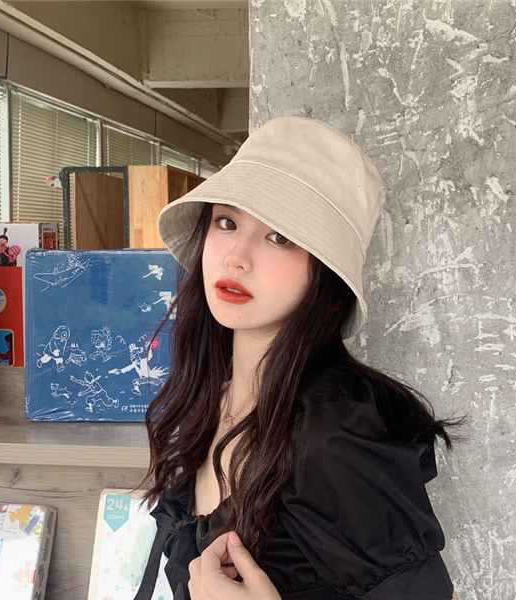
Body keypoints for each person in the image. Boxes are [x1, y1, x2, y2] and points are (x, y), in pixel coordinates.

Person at [134, 117, 461, 600]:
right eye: (227, 222)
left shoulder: (333, 433)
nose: (236, 257)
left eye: (280, 237)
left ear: (326, 279)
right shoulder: (213, 399)